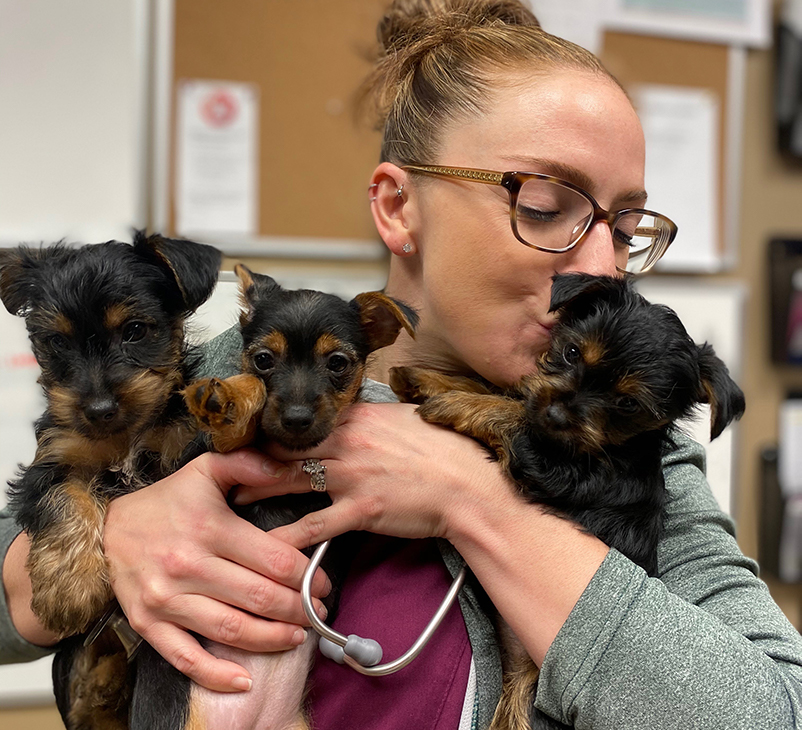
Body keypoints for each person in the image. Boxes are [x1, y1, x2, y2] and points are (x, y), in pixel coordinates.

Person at [3, 0, 802, 727]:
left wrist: (474, 500)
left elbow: (774, 709)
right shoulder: (227, 375)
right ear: (396, 207)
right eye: (546, 207)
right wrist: (117, 534)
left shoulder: (636, 450)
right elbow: (21, 599)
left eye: (625, 228)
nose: (599, 266)